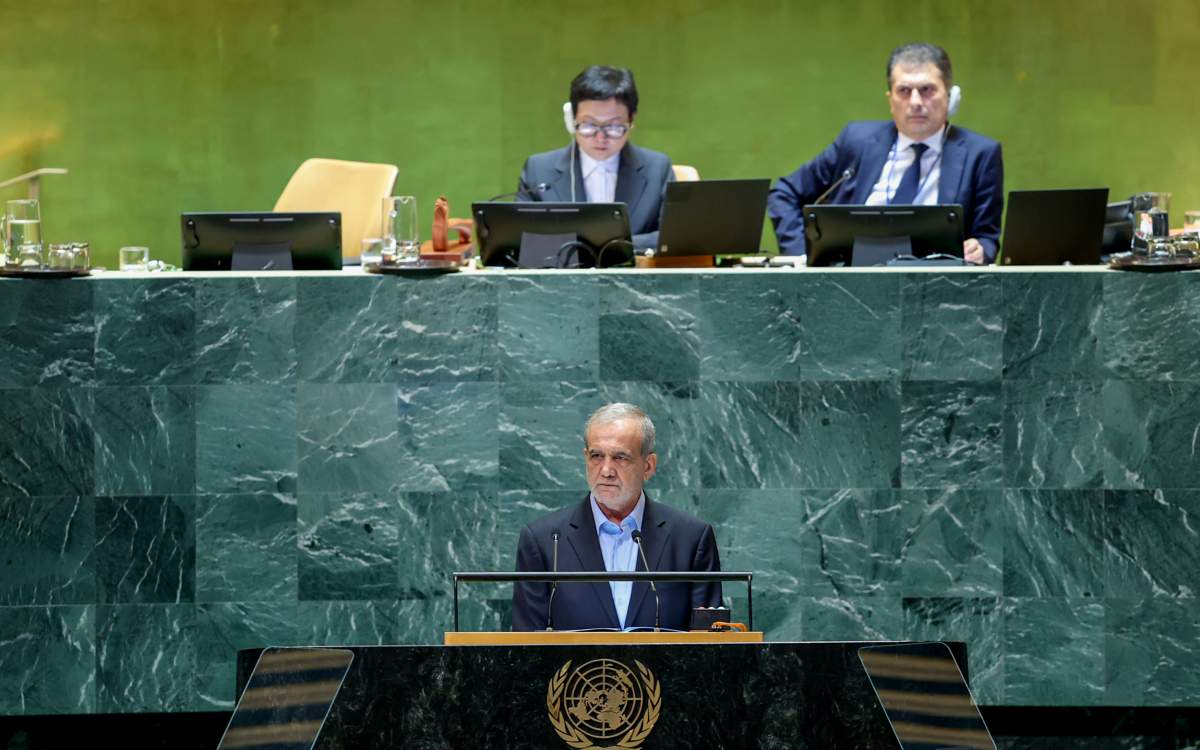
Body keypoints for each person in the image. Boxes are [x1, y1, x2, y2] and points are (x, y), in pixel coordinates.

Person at [768, 42, 1004, 264]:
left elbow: (987, 238)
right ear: (890, 100)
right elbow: (784, 193)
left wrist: (980, 249)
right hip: (847, 279)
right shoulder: (856, 140)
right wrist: (801, 255)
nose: (915, 102)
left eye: (927, 90)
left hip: (935, 284)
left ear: (951, 97)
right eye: (904, 90)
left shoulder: (980, 154)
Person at [512, 403, 722, 631]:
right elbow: (526, 649)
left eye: (620, 457)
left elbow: (709, 647)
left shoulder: (690, 539)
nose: (606, 470)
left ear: (648, 466)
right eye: (596, 456)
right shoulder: (544, 541)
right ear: (585, 458)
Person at [517, 65, 674, 250]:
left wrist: (604, 245)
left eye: (614, 127)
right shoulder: (539, 170)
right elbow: (523, 239)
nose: (601, 138)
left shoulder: (658, 168)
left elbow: (671, 238)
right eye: (589, 125)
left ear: (631, 120)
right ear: (571, 119)